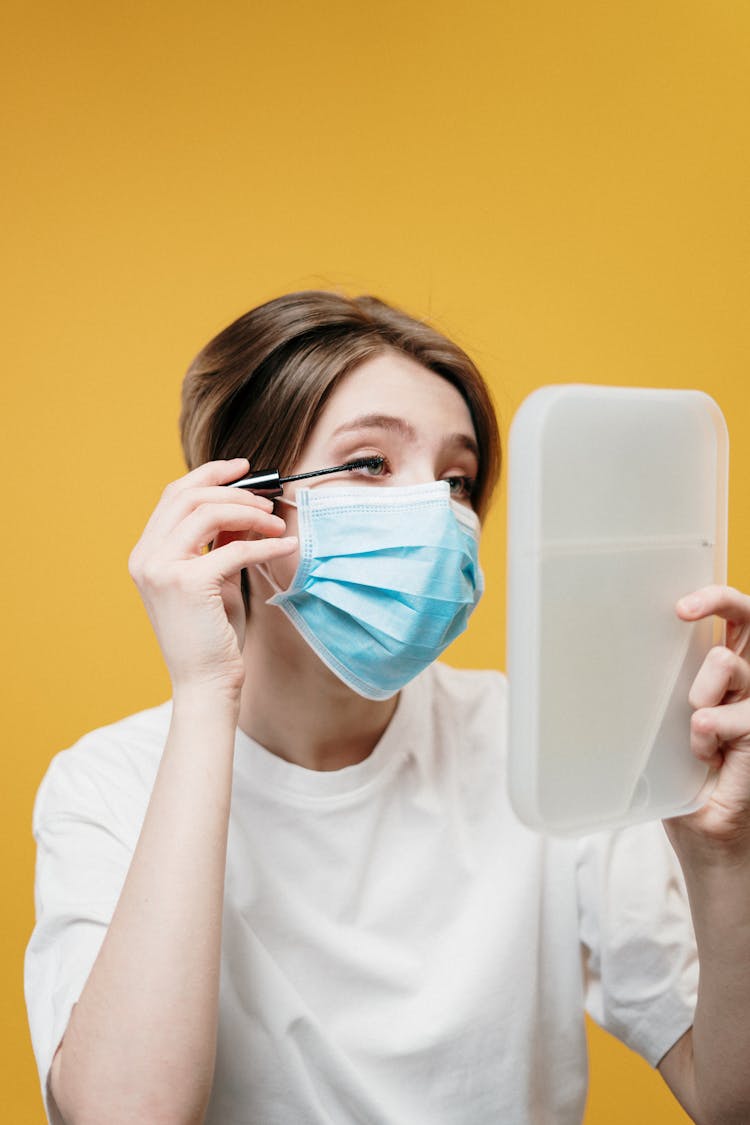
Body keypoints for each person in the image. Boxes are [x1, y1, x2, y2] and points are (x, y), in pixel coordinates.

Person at [24, 291, 750, 1125]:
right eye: (371, 463)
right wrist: (203, 694)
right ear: (237, 515)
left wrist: (724, 859)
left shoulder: (543, 740)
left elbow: (728, 1100)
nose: (440, 517)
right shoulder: (105, 784)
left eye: (458, 479)